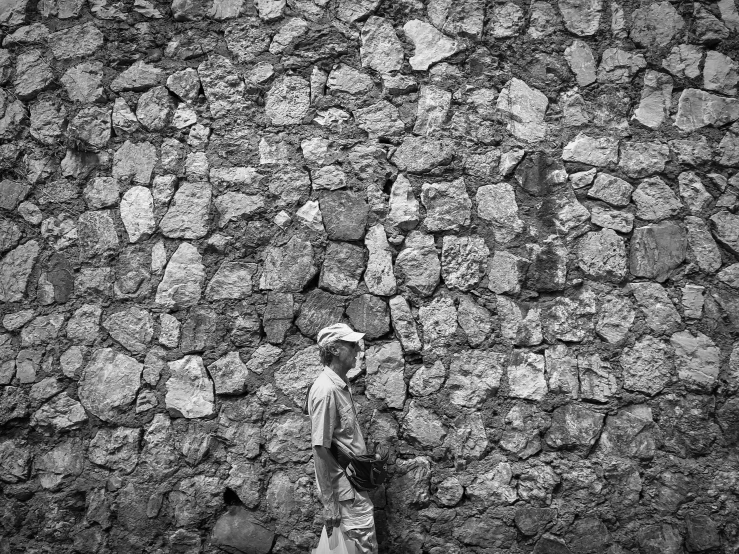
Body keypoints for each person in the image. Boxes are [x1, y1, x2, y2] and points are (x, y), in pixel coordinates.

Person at [306, 323, 378, 554]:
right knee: (362, 548)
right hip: (346, 493)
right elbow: (320, 449)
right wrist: (329, 504)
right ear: (335, 350)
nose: (358, 350)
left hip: (354, 486)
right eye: (352, 344)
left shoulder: (340, 384)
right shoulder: (326, 390)